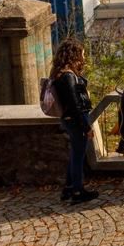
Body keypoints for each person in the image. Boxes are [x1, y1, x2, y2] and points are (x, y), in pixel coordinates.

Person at [50, 39, 98, 205]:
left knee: (75, 154)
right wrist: (86, 127)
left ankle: (69, 188)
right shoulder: (68, 76)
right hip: (76, 120)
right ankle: (78, 191)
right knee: (78, 155)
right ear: (74, 54)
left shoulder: (58, 73)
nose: (83, 56)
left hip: (69, 119)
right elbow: (75, 104)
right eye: (82, 53)